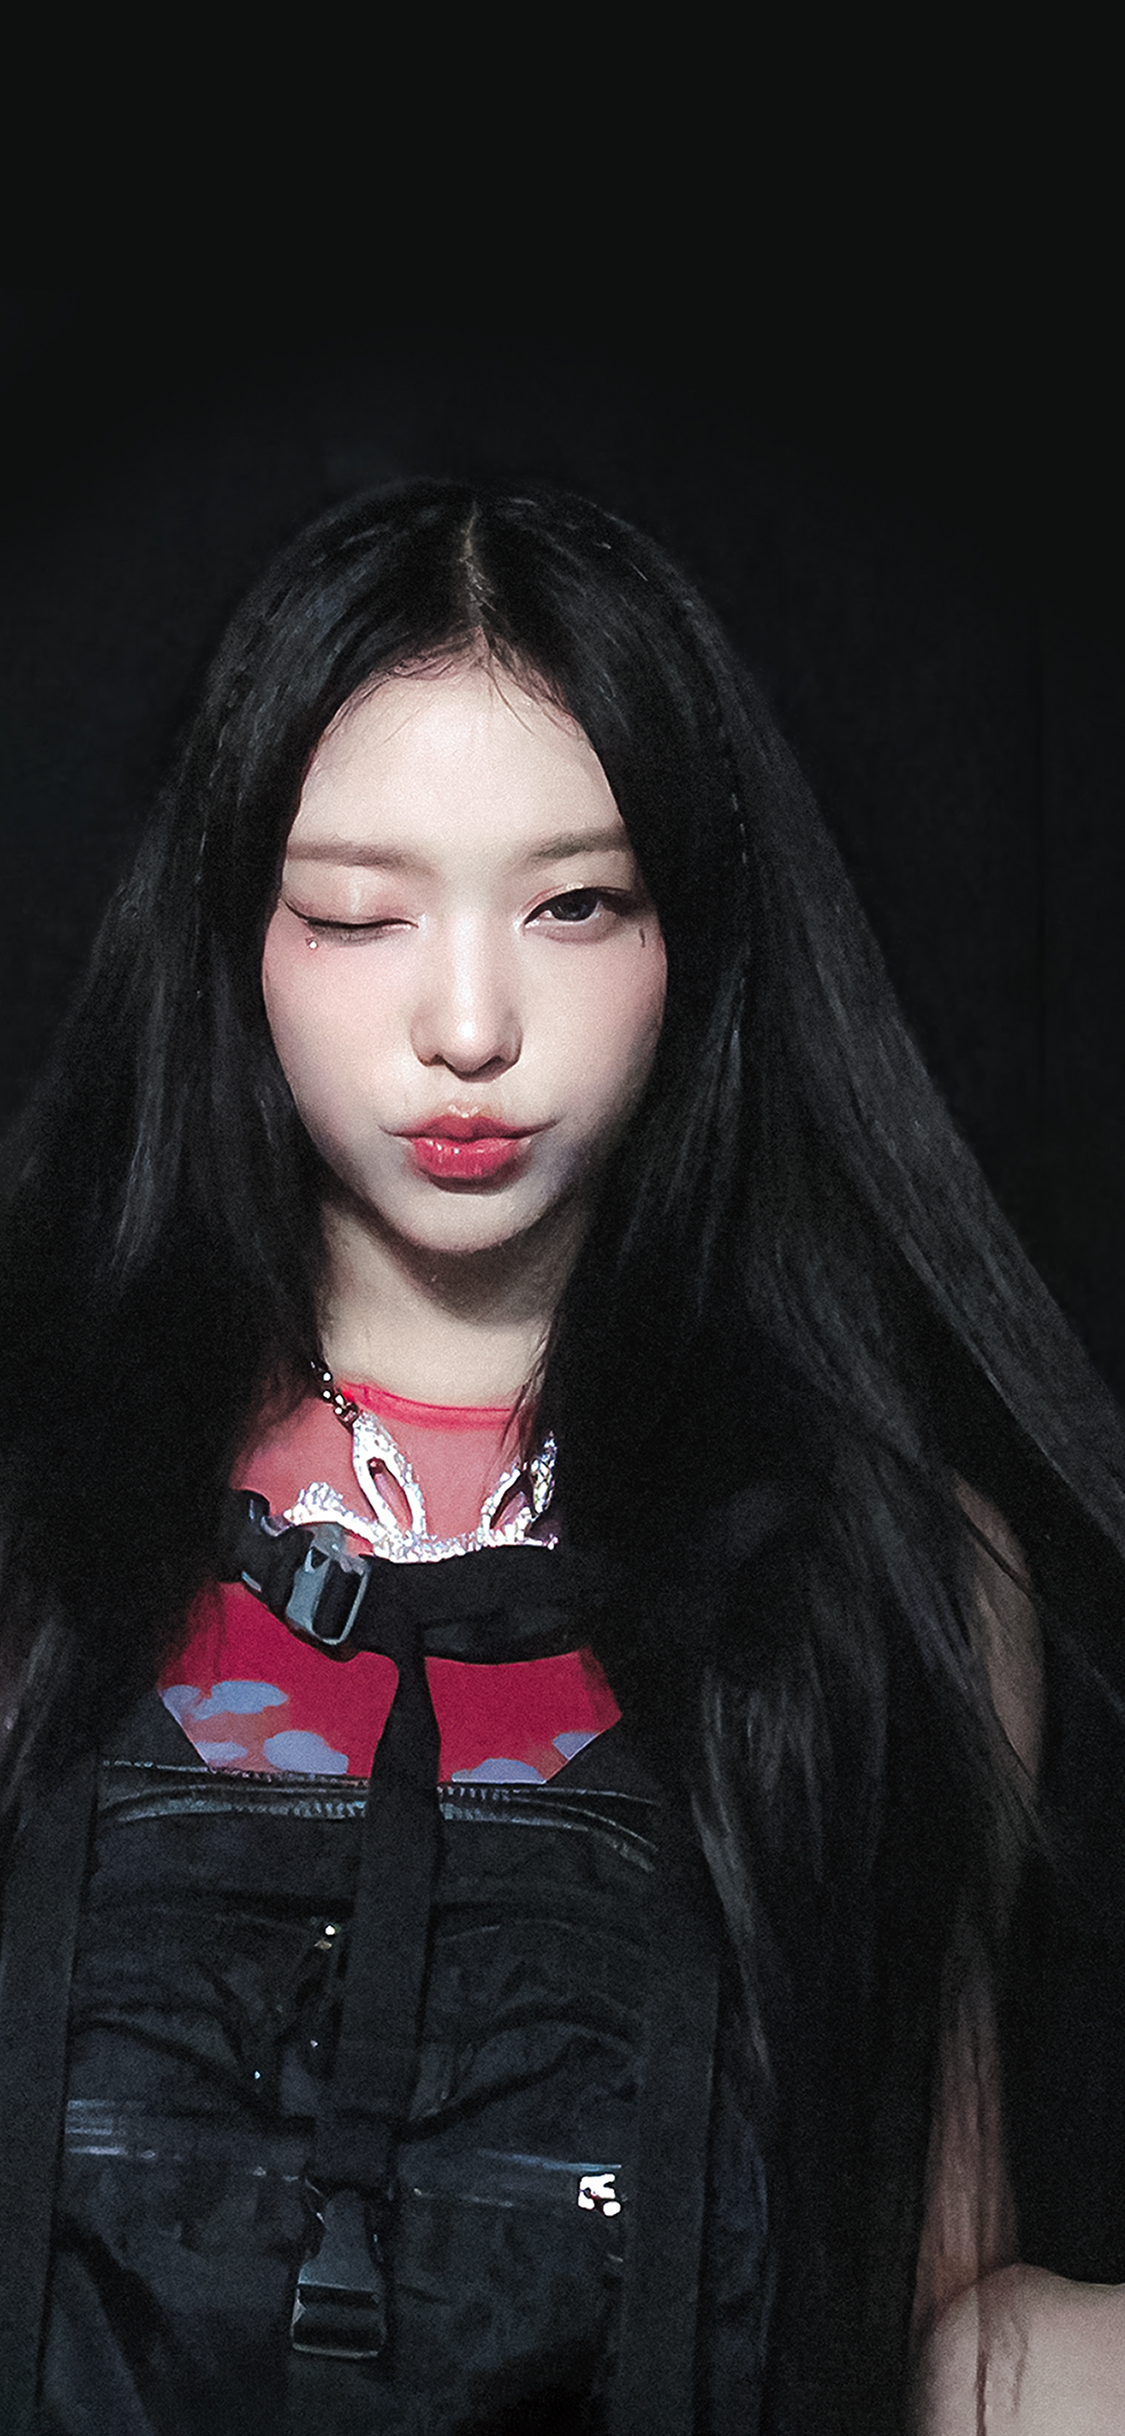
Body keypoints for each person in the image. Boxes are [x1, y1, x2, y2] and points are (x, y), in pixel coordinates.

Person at [0, 476, 1122, 2435]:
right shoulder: (40, 1508)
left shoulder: (891, 1573)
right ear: (235, 933)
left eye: (575, 904)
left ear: (697, 930)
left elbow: (924, 2333)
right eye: (358, 912)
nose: (468, 1024)